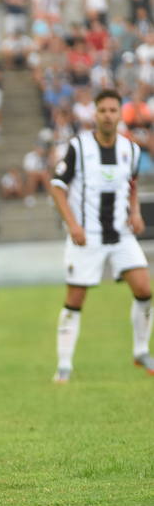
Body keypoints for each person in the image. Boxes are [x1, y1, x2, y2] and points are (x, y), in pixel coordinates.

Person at [49, 89, 153, 383]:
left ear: (121, 114)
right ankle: (64, 364)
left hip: (120, 234)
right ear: (94, 114)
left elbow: (131, 184)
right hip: (87, 236)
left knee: (144, 290)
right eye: (103, 110)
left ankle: (141, 350)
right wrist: (73, 225)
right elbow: (57, 186)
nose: (108, 115)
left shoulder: (130, 149)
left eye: (113, 110)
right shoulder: (79, 147)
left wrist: (135, 213)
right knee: (75, 298)